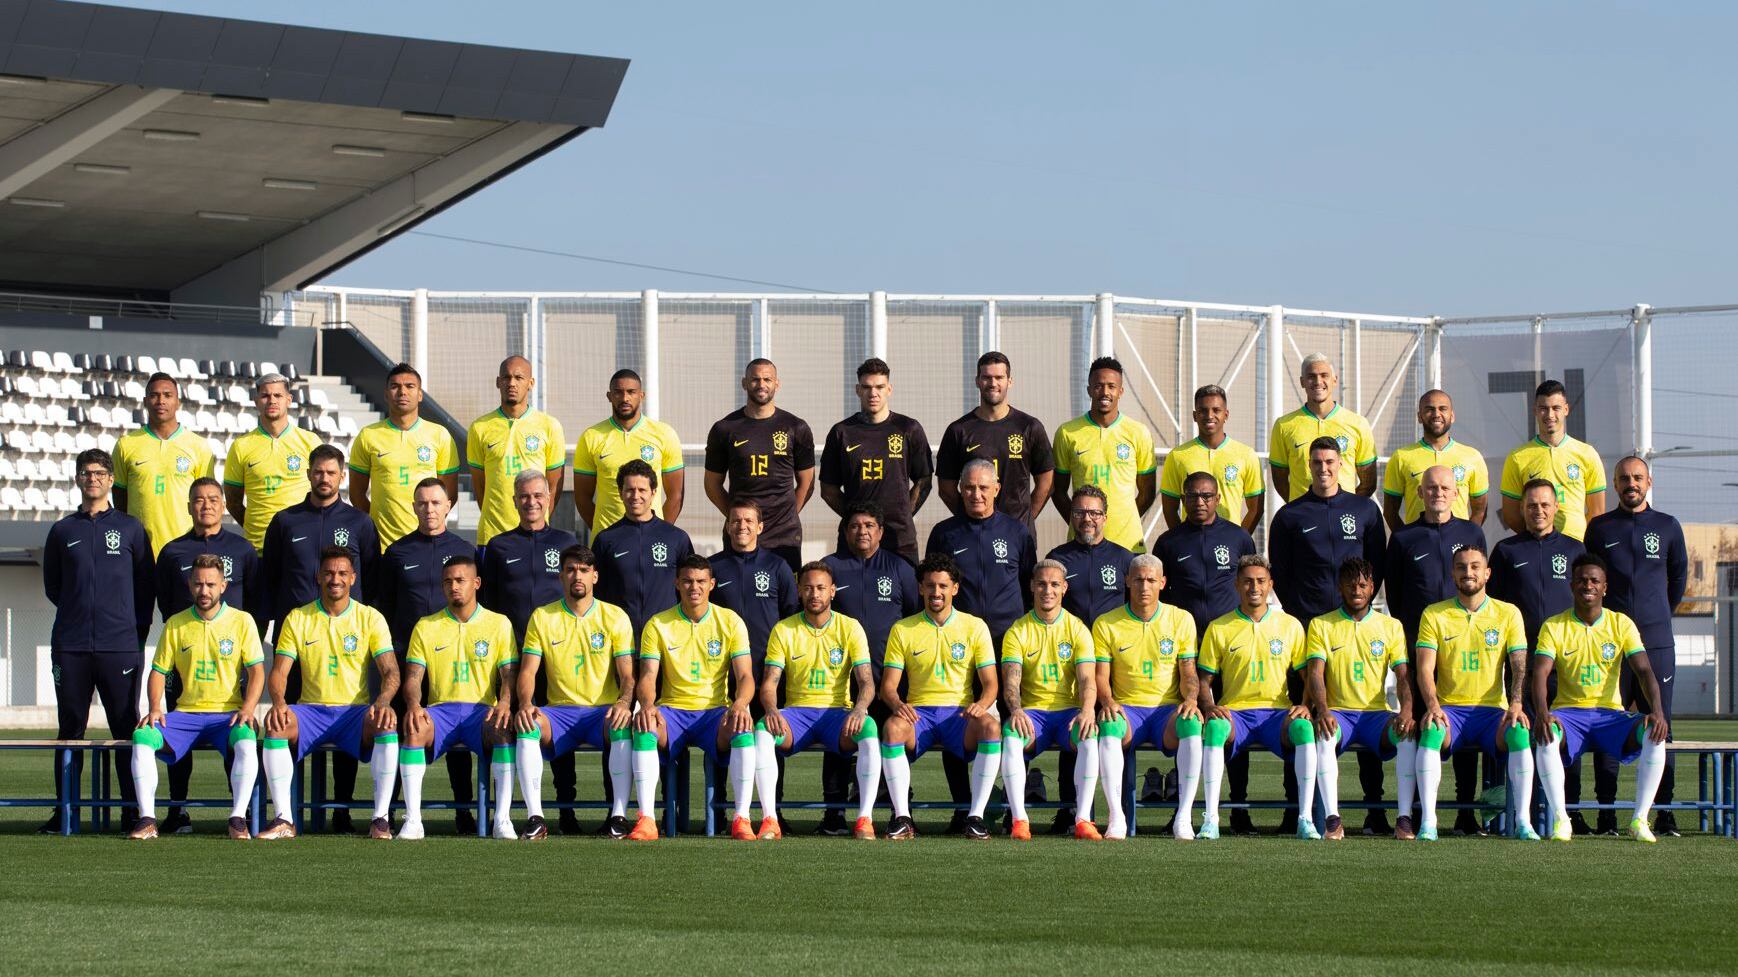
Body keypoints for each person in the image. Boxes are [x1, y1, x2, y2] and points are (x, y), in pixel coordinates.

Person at [42, 448, 153, 833]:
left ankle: (130, 810)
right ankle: (65, 812)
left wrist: (129, 631)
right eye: (85, 473)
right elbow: (54, 587)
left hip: (119, 645)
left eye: (99, 472)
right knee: (70, 728)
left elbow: (144, 586)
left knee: (125, 728)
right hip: (71, 646)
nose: (92, 479)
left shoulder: (131, 528)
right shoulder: (62, 531)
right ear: (77, 479)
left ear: (110, 479)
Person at [257, 547, 400, 841]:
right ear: (318, 577)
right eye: (329, 573)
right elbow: (279, 672)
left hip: (354, 712)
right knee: (277, 724)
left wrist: (383, 702)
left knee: (386, 723)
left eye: (342, 574)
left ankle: (380, 819)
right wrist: (280, 703)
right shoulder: (298, 618)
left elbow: (391, 672)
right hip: (310, 711)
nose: (335, 579)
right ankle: (284, 818)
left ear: (353, 578)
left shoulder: (370, 618)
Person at [1532, 554, 1671, 843]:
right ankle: (1562, 820)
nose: (1588, 585)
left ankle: (1639, 819)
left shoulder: (1621, 624)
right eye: (1582, 580)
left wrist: (1658, 711)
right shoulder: (1554, 626)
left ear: (1605, 587)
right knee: (1547, 735)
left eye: (1595, 580)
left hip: (1610, 716)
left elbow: (1644, 670)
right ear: (1571, 585)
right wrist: (1543, 713)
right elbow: (1540, 674)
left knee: (1654, 733)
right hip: (1569, 716)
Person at [126, 555, 263, 841]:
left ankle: (237, 818)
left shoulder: (242, 621)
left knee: (248, 740)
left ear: (223, 586)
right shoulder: (176, 623)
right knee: (142, 736)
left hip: (228, 715)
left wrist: (249, 708)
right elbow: (158, 671)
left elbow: (257, 672)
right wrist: (154, 708)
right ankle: (147, 820)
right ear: (190, 585)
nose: (204, 590)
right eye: (198, 584)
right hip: (185, 715)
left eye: (211, 584)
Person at [1584, 456, 1687, 836]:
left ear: (1649, 482)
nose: (1632, 483)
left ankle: (1665, 811)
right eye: (1625, 478)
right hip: (1610, 645)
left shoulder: (1667, 527)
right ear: (1614, 484)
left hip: (1656, 644)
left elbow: (1677, 581)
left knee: (1662, 725)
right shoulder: (1599, 528)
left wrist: (1655, 618)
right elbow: (1591, 580)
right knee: (1608, 722)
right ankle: (1606, 813)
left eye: (1638, 477)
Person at [152, 476, 262, 833]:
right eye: (199, 500)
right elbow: (167, 603)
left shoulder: (243, 549)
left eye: (214, 499)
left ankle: (239, 811)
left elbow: (255, 601)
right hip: (185, 653)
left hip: (231, 655)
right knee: (173, 729)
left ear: (223, 504)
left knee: (237, 734)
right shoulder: (172, 551)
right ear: (189, 506)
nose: (206, 505)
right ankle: (178, 808)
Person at [478, 470, 584, 832]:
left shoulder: (566, 540)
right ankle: (501, 812)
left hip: (558, 654)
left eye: (539, 495)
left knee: (559, 730)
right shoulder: (499, 546)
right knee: (508, 729)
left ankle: (566, 809)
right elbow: (487, 604)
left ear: (549, 499)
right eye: (524, 496)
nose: (532, 502)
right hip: (510, 657)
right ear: (514, 501)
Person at [1380, 465, 1483, 835]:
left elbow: (1478, 583)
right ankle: (1418, 810)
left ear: (1457, 493)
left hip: (1464, 646)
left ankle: (1467, 810)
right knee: (1421, 724)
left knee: (1464, 719)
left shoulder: (1471, 532)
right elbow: (1394, 592)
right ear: (1420, 494)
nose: (1438, 493)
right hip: (1419, 646)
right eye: (1431, 488)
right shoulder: (1404, 538)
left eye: (1445, 487)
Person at [626, 556, 757, 841]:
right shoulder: (658, 623)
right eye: (687, 581)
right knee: (644, 725)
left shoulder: (730, 621)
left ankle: (741, 818)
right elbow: (648, 675)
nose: (693, 587)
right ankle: (647, 819)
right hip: (672, 712)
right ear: (677, 583)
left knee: (744, 728)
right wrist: (647, 706)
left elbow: (745, 676)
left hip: (714, 713)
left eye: (700, 581)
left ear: (712, 584)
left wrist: (740, 704)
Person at [512, 544, 637, 841]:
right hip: (559, 713)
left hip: (602, 711)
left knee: (622, 724)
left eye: (583, 570)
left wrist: (623, 702)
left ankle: (618, 816)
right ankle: (536, 818)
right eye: (570, 570)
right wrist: (526, 703)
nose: (576, 576)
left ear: (595, 576)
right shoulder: (543, 616)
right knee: (528, 725)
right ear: (561, 577)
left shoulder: (615, 616)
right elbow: (528, 671)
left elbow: (628, 675)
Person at [1412, 546, 1537, 842]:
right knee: (1430, 731)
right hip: (1451, 711)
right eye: (1461, 567)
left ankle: (1523, 822)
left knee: (1519, 732)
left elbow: (1519, 665)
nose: (1468, 572)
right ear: (1453, 573)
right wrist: (1432, 705)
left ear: (1487, 573)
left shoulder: (1508, 613)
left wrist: (1517, 702)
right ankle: (1428, 823)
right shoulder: (1434, 614)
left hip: (1492, 711)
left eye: (1475, 567)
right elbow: (1424, 669)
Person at [375, 477, 478, 832]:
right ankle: (389, 812)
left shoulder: (465, 550)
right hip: (409, 662)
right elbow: (384, 608)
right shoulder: (398, 553)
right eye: (423, 503)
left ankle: (464, 811)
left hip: (455, 662)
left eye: (436, 503)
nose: (430, 510)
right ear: (414, 507)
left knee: (460, 737)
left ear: (448, 505)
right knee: (408, 731)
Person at [878, 553, 1001, 841]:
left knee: (992, 727)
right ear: (920, 588)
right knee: (892, 728)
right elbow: (888, 687)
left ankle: (976, 817)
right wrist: (898, 705)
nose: (936, 592)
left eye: (943, 586)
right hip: (919, 714)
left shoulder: (975, 626)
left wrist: (982, 706)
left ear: (955, 589)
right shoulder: (903, 629)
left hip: (959, 714)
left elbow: (991, 684)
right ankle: (903, 818)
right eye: (930, 585)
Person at [753, 562, 881, 840]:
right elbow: (769, 683)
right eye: (808, 588)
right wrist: (772, 709)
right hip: (796, 715)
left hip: (838, 714)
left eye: (821, 588)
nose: (815, 594)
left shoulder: (850, 628)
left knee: (869, 729)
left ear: (832, 591)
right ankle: (769, 819)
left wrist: (860, 709)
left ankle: (864, 820)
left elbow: (867, 682)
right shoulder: (784, 629)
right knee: (762, 729)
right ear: (799, 591)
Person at [1489, 477, 1586, 832]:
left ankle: (1569, 812)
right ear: (1523, 510)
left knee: (1565, 735)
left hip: (1565, 661)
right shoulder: (1506, 551)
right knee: (1517, 733)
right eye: (1532, 506)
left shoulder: (1576, 550)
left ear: (1556, 507)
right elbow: (1494, 607)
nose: (1539, 511)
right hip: (1520, 662)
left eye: (1545, 505)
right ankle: (1516, 812)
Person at [399, 556, 520, 840]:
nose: (454, 587)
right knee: (415, 727)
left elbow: (510, 674)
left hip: (482, 711)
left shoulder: (499, 624)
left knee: (502, 728)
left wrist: (504, 703)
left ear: (476, 583)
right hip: (440, 711)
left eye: (460, 580)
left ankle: (502, 819)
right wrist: (415, 706)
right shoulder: (426, 625)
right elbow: (414, 677)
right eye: (448, 581)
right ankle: (413, 820)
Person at [1195, 556, 1315, 840]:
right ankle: (1211, 819)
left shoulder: (1290, 625)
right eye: (1247, 581)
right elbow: (1203, 679)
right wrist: (1210, 705)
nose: (1254, 587)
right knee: (1213, 728)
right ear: (1237, 584)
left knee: (1304, 728)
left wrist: (1306, 705)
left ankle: (1305, 818)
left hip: (1276, 714)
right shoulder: (1219, 627)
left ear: (1270, 585)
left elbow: (1308, 675)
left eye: (1260, 581)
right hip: (1236, 713)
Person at [707, 498, 805, 828]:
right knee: (727, 737)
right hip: (724, 671)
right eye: (736, 521)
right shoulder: (714, 568)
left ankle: (771, 811)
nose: (742, 526)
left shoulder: (777, 567)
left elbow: (791, 618)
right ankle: (719, 810)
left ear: (760, 527)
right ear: (727, 525)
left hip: (768, 671)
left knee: (769, 738)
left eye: (749, 521)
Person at [1091, 555, 1203, 841]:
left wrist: (1191, 699)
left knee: (1191, 724)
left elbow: (1189, 672)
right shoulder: (1106, 623)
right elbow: (1101, 676)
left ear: (1162, 583)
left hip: (1166, 712)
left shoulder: (1181, 619)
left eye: (1151, 580)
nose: (1144, 586)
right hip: (1128, 710)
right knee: (1109, 725)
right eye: (1138, 579)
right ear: (1127, 580)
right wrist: (1107, 701)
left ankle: (1183, 817)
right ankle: (1116, 817)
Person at [1301, 558, 1414, 841]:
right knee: (1325, 734)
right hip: (1339, 714)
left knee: (1408, 734)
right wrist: (1323, 710)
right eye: (1351, 584)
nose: (1357, 590)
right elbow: (1315, 673)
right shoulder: (1321, 624)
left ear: (1372, 587)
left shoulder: (1391, 626)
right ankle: (1332, 819)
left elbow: (1402, 676)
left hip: (1376, 714)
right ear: (1340, 587)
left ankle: (1404, 819)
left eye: (1363, 584)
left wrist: (1407, 711)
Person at [996, 561, 1097, 841]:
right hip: (1033, 715)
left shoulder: (1078, 629)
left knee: (1090, 736)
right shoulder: (1018, 630)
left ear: (1064, 588)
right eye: (1041, 584)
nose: (1047, 590)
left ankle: (1083, 819)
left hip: (1069, 713)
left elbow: (1088, 680)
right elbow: (1011, 682)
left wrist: (1088, 711)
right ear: (1031, 587)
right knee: (1011, 734)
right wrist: (1015, 710)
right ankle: (1019, 820)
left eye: (1054, 584)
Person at [703, 358, 815, 570]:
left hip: (784, 534)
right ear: (744, 383)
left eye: (767, 379)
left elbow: (807, 483)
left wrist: (787, 514)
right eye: (755, 379)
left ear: (777, 384)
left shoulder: (796, 427)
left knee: (784, 599)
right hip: (741, 533)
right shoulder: (724, 429)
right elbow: (712, 484)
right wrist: (738, 518)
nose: (761, 384)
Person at [819, 358, 933, 564]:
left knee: (906, 594)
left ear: (889, 389)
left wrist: (903, 513)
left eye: (879, 387)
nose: (873, 393)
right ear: (857, 390)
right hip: (855, 540)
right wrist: (856, 519)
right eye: (867, 387)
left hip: (899, 538)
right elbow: (828, 490)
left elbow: (924, 480)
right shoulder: (842, 432)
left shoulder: (908, 428)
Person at [262, 444, 379, 630]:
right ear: (308, 474)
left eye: (331, 473)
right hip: (295, 629)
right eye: (318, 472)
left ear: (342, 477)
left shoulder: (360, 522)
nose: (324, 478)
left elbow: (372, 582)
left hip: (345, 629)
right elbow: (270, 577)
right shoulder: (285, 521)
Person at [936, 351, 1054, 531]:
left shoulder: (1029, 427)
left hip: (1018, 536)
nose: (993, 383)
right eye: (987, 377)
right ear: (977, 381)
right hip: (973, 534)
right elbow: (946, 489)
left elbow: (1047, 483)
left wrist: (1025, 520)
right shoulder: (958, 430)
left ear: (1010, 381)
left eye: (999, 377)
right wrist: (970, 516)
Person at [925, 459, 1035, 651]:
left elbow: (1029, 586)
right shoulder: (943, 534)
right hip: (959, 638)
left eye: (983, 488)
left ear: (996, 489)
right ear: (960, 488)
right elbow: (930, 586)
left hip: (1008, 637)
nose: (976, 495)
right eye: (969, 487)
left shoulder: (1017, 532)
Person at [348, 363, 460, 549]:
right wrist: (376, 525)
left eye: (410, 386)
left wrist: (429, 524)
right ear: (386, 394)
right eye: (395, 386)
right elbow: (356, 494)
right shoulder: (368, 435)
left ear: (420, 394)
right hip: (383, 546)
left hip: (427, 542)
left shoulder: (439, 435)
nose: (402, 392)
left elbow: (450, 496)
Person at [1050, 356, 1156, 553]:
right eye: (1098, 386)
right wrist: (1080, 523)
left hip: (1128, 543)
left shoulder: (1138, 432)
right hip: (1082, 542)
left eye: (1111, 386)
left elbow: (1147, 492)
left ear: (1121, 391)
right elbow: (1058, 491)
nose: (1105, 392)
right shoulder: (1067, 432)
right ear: (1089, 389)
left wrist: (1125, 519)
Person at [466, 355, 566, 547]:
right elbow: (480, 486)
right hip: (492, 536)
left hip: (535, 535)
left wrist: (537, 520)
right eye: (506, 377)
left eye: (519, 378)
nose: (512, 383)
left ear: (531, 383)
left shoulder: (549, 426)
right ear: (498, 382)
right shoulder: (479, 427)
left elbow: (553, 486)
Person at [574, 367, 684, 540]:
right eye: (618, 392)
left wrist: (660, 533)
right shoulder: (591, 436)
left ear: (641, 395)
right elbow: (582, 497)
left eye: (631, 392)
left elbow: (676, 495)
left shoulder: (664, 434)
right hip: (608, 539)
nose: (625, 398)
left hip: (652, 539)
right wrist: (604, 534)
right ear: (609, 396)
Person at [112, 371, 215, 555]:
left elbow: (206, 499)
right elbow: (120, 498)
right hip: (140, 549)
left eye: (168, 395)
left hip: (186, 547)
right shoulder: (125, 445)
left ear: (178, 402)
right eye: (154, 395)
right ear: (145, 401)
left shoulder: (198, 446)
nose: (161, 401)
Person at [594, 460, 696, 639]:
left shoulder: (677, 538)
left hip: (667, 639)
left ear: (654, 493)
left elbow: (691, 588)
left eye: (642, 490)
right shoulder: (606, 540)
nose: (635, 496)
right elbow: (596, 595)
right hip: (620, 641)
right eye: (629, 490)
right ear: (620, 493)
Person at [224, 373, 323, 553]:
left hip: (302, 547)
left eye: (277, 395)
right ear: (256, 401)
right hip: (258, 549)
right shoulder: (241, 446)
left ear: (289, 400)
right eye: (265, 395)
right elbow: (233, 503)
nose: (272, 400)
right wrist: (256, 528)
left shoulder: (310, 441)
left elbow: (324, 494)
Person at [1500, 378, 1605, 540]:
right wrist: (1537, 538)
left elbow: (1597, 512)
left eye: (1556, 408)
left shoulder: (1587, 454)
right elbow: (1511, 515)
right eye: (1543, 408)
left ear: (1566, 409)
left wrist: (1577, 542)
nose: (1550, 415)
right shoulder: (1517, 457)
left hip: (1576, 548)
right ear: (1535, 410)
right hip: (1536, 547)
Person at [1153, 473, 1256, 635]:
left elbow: (1252, 583)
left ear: (1217, 499)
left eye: (1207, 496)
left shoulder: (1239, 537)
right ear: (1183, 499)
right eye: (1193, 496)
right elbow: (1159, 592)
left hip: (1231, 631)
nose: (1200, 502)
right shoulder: (1168, 542)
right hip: (1184, 634)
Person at [823, 501, 921, 669]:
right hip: (839, 668)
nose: (862, 532)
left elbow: (914, 614)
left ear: (880, 532)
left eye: (869, 525)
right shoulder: (829, 568)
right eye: (855, 526)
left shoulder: (899, 567)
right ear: (846, 532)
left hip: (889, 667)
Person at [1268, 353, 1377, 501]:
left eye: (1324, 375)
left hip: (1343, 515)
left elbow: (1368, 482)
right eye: (1311, 376)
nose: (1318, 381)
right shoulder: (1284, 425)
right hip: (1303, 516)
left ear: (1334, 380)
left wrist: (1347, 506)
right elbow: (1280, 480)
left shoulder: (1358, 424)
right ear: (1302, 382)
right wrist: (1302, 506)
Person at [1159, 384, 1263, 534]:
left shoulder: (1246, 455)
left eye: (1216, 410)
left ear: (1226, 415)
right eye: (1203, 411)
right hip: (1191, 545)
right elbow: (1169, 509)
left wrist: (1238, 540)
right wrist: (1182, 541)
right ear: (1195, 416)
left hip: (1229, 549)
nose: (1209, 416)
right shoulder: (1177, 456)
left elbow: (1256, 509)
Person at [1381, 389, 1489, 531]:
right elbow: (1390, 512)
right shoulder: (1401, 457)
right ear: (1419, 417)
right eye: (1429, 409)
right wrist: (1407, 540)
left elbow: (1480, 510)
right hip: (1418, 546)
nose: (1436, 414)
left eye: (1442, 409)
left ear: (1452, 416)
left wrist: (1466, 538)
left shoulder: (1472, 457)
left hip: (1458, 548)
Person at [1047, 485, 1136, 626]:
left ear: (1105, 518)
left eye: (1094, 513)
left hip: (1112, 644)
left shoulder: (1124, 558)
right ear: (1071, 517)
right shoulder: (1057, 559)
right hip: (1070, 643)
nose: (1087, 519)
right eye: (1079, 513)